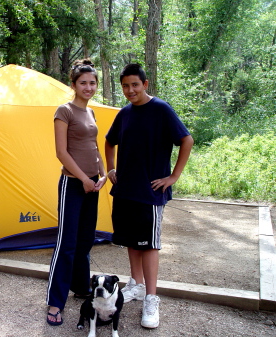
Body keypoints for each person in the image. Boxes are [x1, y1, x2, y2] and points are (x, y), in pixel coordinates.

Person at [105, 63, 193, 329]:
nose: (130, 90)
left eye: (134, 84)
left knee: (150, 244)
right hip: (126, 190)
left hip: (151, 191)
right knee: (132, 240)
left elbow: (186, 140)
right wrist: (110, 168)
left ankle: (152, 299)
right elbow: (109, 141)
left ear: (145, 84)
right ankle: (136, 285)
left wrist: (173, 177)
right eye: (125, 86)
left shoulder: (161, 110)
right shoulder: (125, 113)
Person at [46, 59, 107, 326]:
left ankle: (82, 287)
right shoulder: (65, 111)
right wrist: (82, 178)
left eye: (92, 83)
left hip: (93, 184)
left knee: (85, 241)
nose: (88, 87)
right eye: (83, 82)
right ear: (73, 85)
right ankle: (54, 303)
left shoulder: (91, 113)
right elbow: (61, 152)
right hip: (73, 184)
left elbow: (94, 146)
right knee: (66, 245)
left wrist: (102, 174)